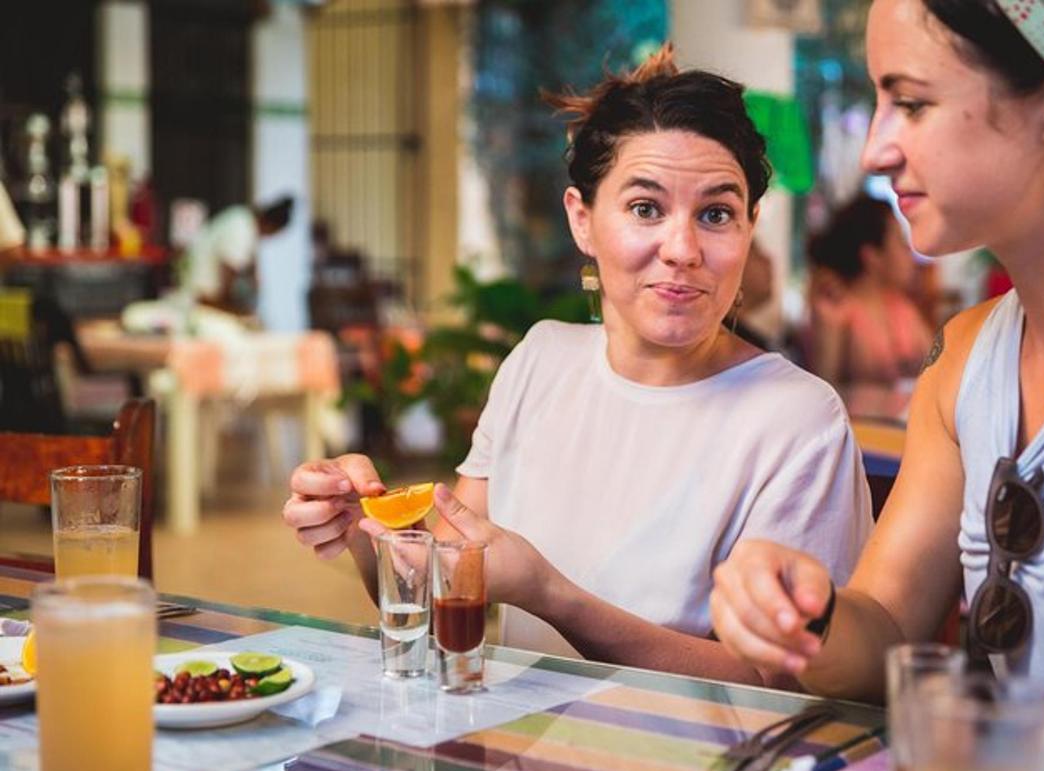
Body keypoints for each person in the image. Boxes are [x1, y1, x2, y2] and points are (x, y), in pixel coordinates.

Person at [709, 0, 1044, 771]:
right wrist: (807, 614)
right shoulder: (964, 358)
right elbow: (885, 631)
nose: (875, 150)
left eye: (911, 102)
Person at [283, 45, 872, 684]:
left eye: (716, 214)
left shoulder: (798, 420)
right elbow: (445, 594)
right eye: (646, 208)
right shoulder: (541, 359)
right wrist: (366, 528)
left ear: (750, 226)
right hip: (522, 769)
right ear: (582, 220)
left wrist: (552, 594)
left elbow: (780, 688)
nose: (682, 249)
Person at [806, 193, 932, 417]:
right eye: (901, 242)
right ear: (872, 256)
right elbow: (824, 392)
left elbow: (937, 370)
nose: (910, 254)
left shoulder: (903, 308)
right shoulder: (838, 312)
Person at [181, 195, 294, 314]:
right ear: (270, 226)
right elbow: (229, 270)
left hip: (207, 298)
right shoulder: (240, 229)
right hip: (203, 300)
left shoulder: (242, 219)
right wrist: (231, 308)